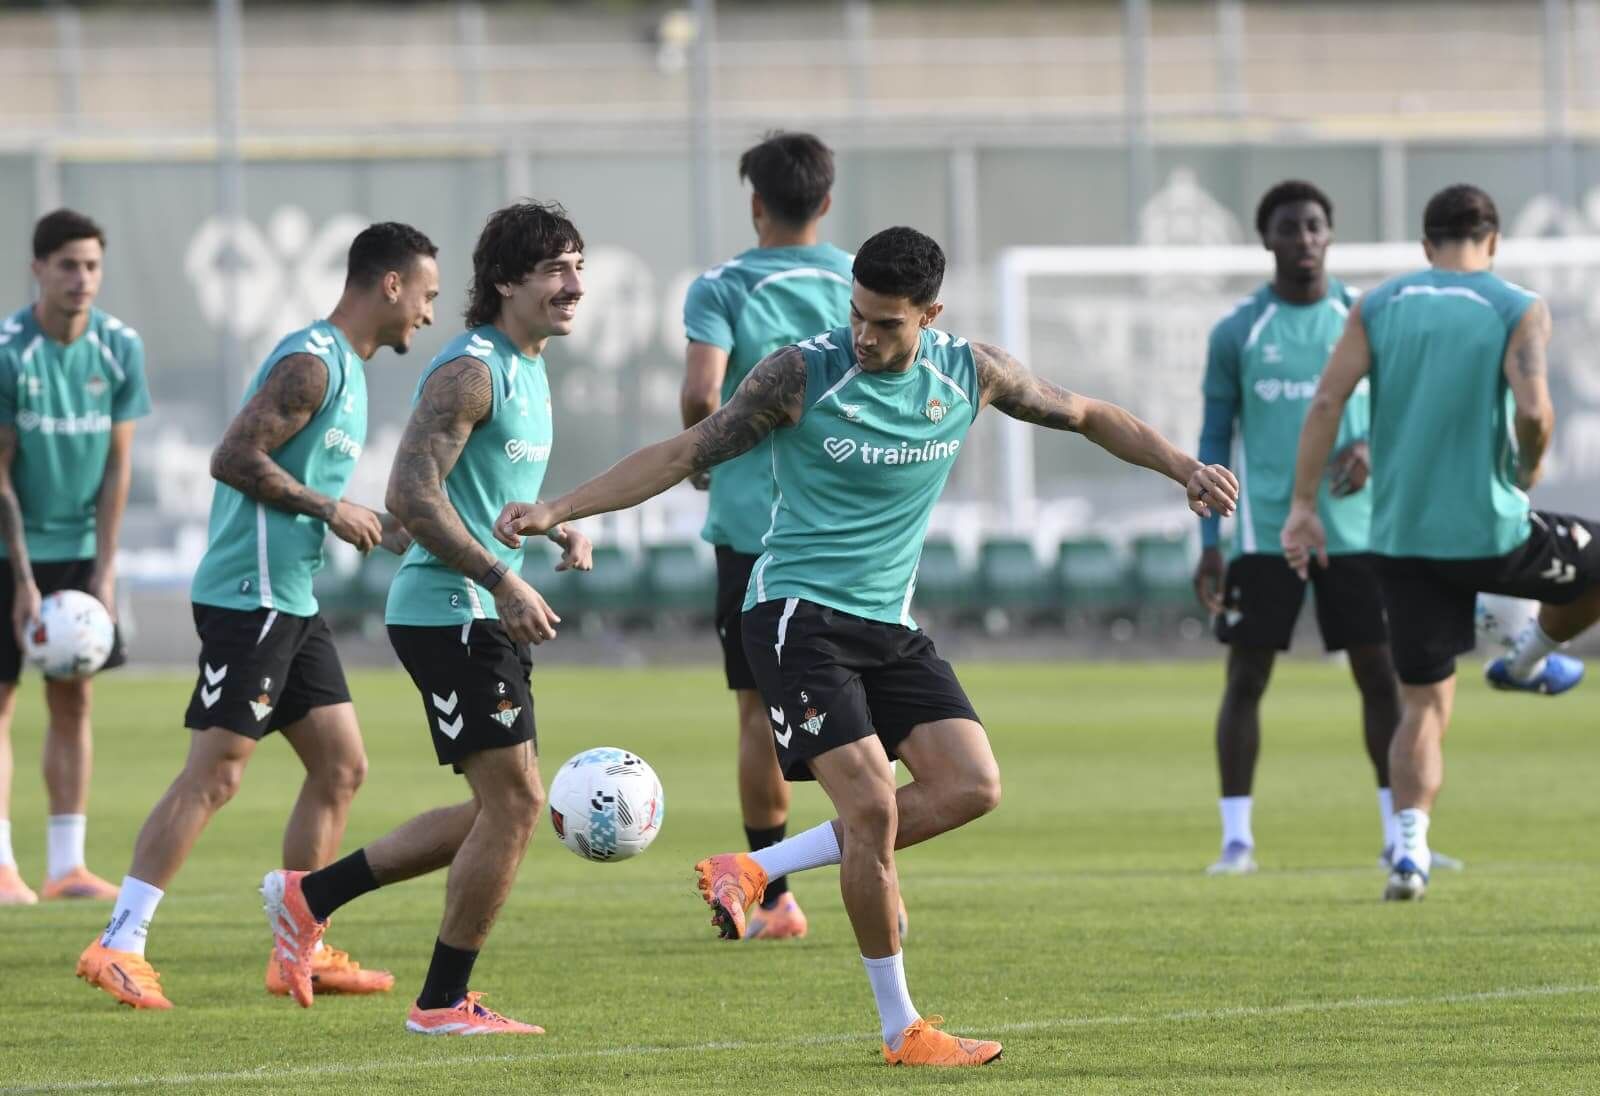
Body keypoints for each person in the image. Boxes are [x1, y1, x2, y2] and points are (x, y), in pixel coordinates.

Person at [494, 226, 1238, 1065]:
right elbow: (684, 451)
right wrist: (561, 509)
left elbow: (1089, 414)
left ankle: (756, 865)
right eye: (858, 315)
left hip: (889, 623)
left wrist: (1184, 467)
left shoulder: (972, 372)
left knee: (971, 786)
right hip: (795, 616)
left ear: (931, 315)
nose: (865, 335)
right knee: (874, 810)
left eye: (887, 323)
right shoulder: (800, 373)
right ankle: (901, 1030)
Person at [75, 222, 439, 1009]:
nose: (429, 313)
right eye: (427, 295)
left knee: (341, 766)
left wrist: (382, 523)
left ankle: (295, 948)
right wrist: (329, 508)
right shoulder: (310, 362)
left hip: (293, 600)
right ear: (389, 285)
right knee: (217, 775)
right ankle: (119, 942)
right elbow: (233, 457)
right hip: (253, 597)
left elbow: (312, 492)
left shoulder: (349, 366)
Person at [260, 200, 592, 1036]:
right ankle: (442, 1001)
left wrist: (547, 522)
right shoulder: (472, 369)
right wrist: (499, 579)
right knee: (517, 807)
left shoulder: (528, 366)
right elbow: (411, 493)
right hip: (452, 610)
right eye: (556, 268)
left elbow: (462, 499)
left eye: (579, 266)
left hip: (478, 605)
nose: (574, 284)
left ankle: (311, 896)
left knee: (498, 809)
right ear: (509, 281)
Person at [1282, 183, 1600, 902]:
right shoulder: (1516, 306)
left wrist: (1304, 506)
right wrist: (1525, 470)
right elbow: (1536, 411)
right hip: (1489, 532)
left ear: (1427, 246)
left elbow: (1327, 402)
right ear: (1493, 243)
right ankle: (1526, 659)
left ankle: (1409, 855)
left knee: (1422, 704)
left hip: (1400, 541)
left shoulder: (1379, 305)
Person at [1195, 181, 1458, 876]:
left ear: (1330, 234)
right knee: (1246, 676)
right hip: (1263, 535)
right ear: (1267, 240)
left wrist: (1371, 444)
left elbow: (1405, 410)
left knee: (1381, 676)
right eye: (1290, 228)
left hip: (1358, 533)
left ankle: (1399, 837)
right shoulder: (1239, 332)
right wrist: (1209, 544)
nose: (1304, 239)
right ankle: (1237, 842)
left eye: (1315, 226)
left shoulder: (1364, 319)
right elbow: (1214, 436)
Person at [680, 130, 853, 939]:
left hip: (752, 532)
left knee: (756, 714)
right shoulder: (862, 282)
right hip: (849, 530)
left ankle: (775, 899)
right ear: (824, 201)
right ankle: (869, 861)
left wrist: (704, 458)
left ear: (756, 204)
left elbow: (700, 392)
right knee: (870, 710)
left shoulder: (722, 287)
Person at [0, 210, 150, 906]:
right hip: (10, 551)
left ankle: (67, 867)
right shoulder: (8, 350)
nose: (81, 278)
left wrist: (105, 569)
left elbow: (118, 468)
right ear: (38, 269)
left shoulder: (120, 348)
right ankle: (3, 867)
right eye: (67, 265)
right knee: (1, 703)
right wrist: (23, 577)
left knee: (74, 700)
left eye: (91, 265)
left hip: (82, 557)